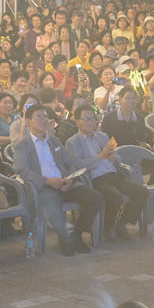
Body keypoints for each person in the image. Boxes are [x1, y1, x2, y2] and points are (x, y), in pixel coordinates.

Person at [11, 102, 102, 255]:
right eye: (38, 117)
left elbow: (69, 162)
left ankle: (77, 235)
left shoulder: (53, 140)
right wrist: (47, 181)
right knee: (52, 202)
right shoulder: (23, 145)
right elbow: (23, 171)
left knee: (95, 198)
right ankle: (65, 239)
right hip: (43, 186)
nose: (43, 120)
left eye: (45, 117)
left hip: (64, 182)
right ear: (28, 121)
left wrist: (70, 179)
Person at [60, 103, 147, 239]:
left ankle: (122, 223)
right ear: (77, 121)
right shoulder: (72, 142)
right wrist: (100, 156)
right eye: (86, 119)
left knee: (141, 191)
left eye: (93, 119)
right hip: (96, 178)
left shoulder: (102, 136)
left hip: (114, 175)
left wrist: (113, 158)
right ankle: (108, 226)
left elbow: (118, 158)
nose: (90, 122)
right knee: (114, 196)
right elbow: (76, 166)